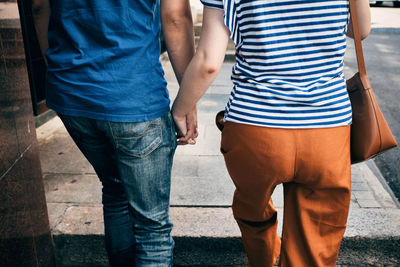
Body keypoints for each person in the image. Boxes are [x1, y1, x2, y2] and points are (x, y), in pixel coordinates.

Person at [172, 0, 371, 266]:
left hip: (254, 128)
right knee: (316, 232)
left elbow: (208, 61)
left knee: (252, 206)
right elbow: (361, 30)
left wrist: (181, 108)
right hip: (326, 127)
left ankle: (264, 257)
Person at [32, 0, 197, 266]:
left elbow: (39, 6)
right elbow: (175, 17)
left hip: (71, 94)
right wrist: (189, 98)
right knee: (152, 229)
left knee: (115, 189)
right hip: (134, 97)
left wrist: (58, 71)